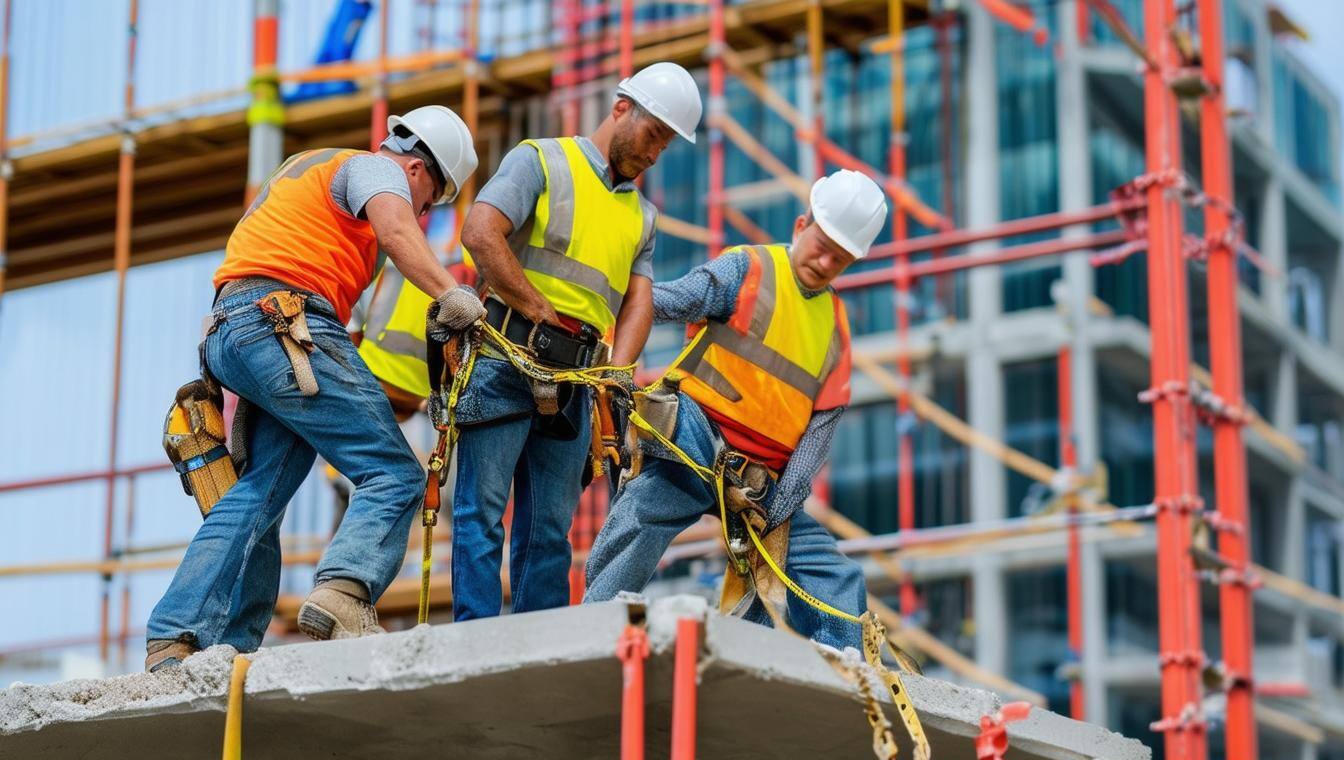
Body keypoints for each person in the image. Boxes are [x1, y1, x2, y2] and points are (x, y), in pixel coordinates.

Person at [145, 105, 483, 671]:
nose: (419, 214)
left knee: (260, 492)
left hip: (242, 329)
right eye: (429, 204)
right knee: (393, 472)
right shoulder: (378, 172)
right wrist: (453, 295)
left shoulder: (308, 167)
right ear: (420, 170)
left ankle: (183, 637)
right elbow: (398, 231)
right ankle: (345, 594)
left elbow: (273, 259)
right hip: (284, 322)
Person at [584, 170, 888, 650]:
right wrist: (611, 301)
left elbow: (822, 424)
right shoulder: (748, 269)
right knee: (643, 512)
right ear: (801, 225)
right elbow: (678, 299)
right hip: (697, 439)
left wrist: (786, 498)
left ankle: (847, 669)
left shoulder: (835, 324)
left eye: (842, 257)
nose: (828, 261)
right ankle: (595, 625)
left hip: (761, 482)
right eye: (823, 244)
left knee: (833, 575)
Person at [451, 62, 702, 620]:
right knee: (481, 512)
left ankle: (537, 645)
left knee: (548, 530)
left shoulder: (642, 216)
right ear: (620, 110)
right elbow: (480, 232)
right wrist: (534, 307)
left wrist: (621, 370)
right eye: (654, 133)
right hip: (504, 359)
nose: (656, 151)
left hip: (575, 383)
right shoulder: (540, 159)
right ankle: (474, 640)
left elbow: (639, 300)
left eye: (667, 142)